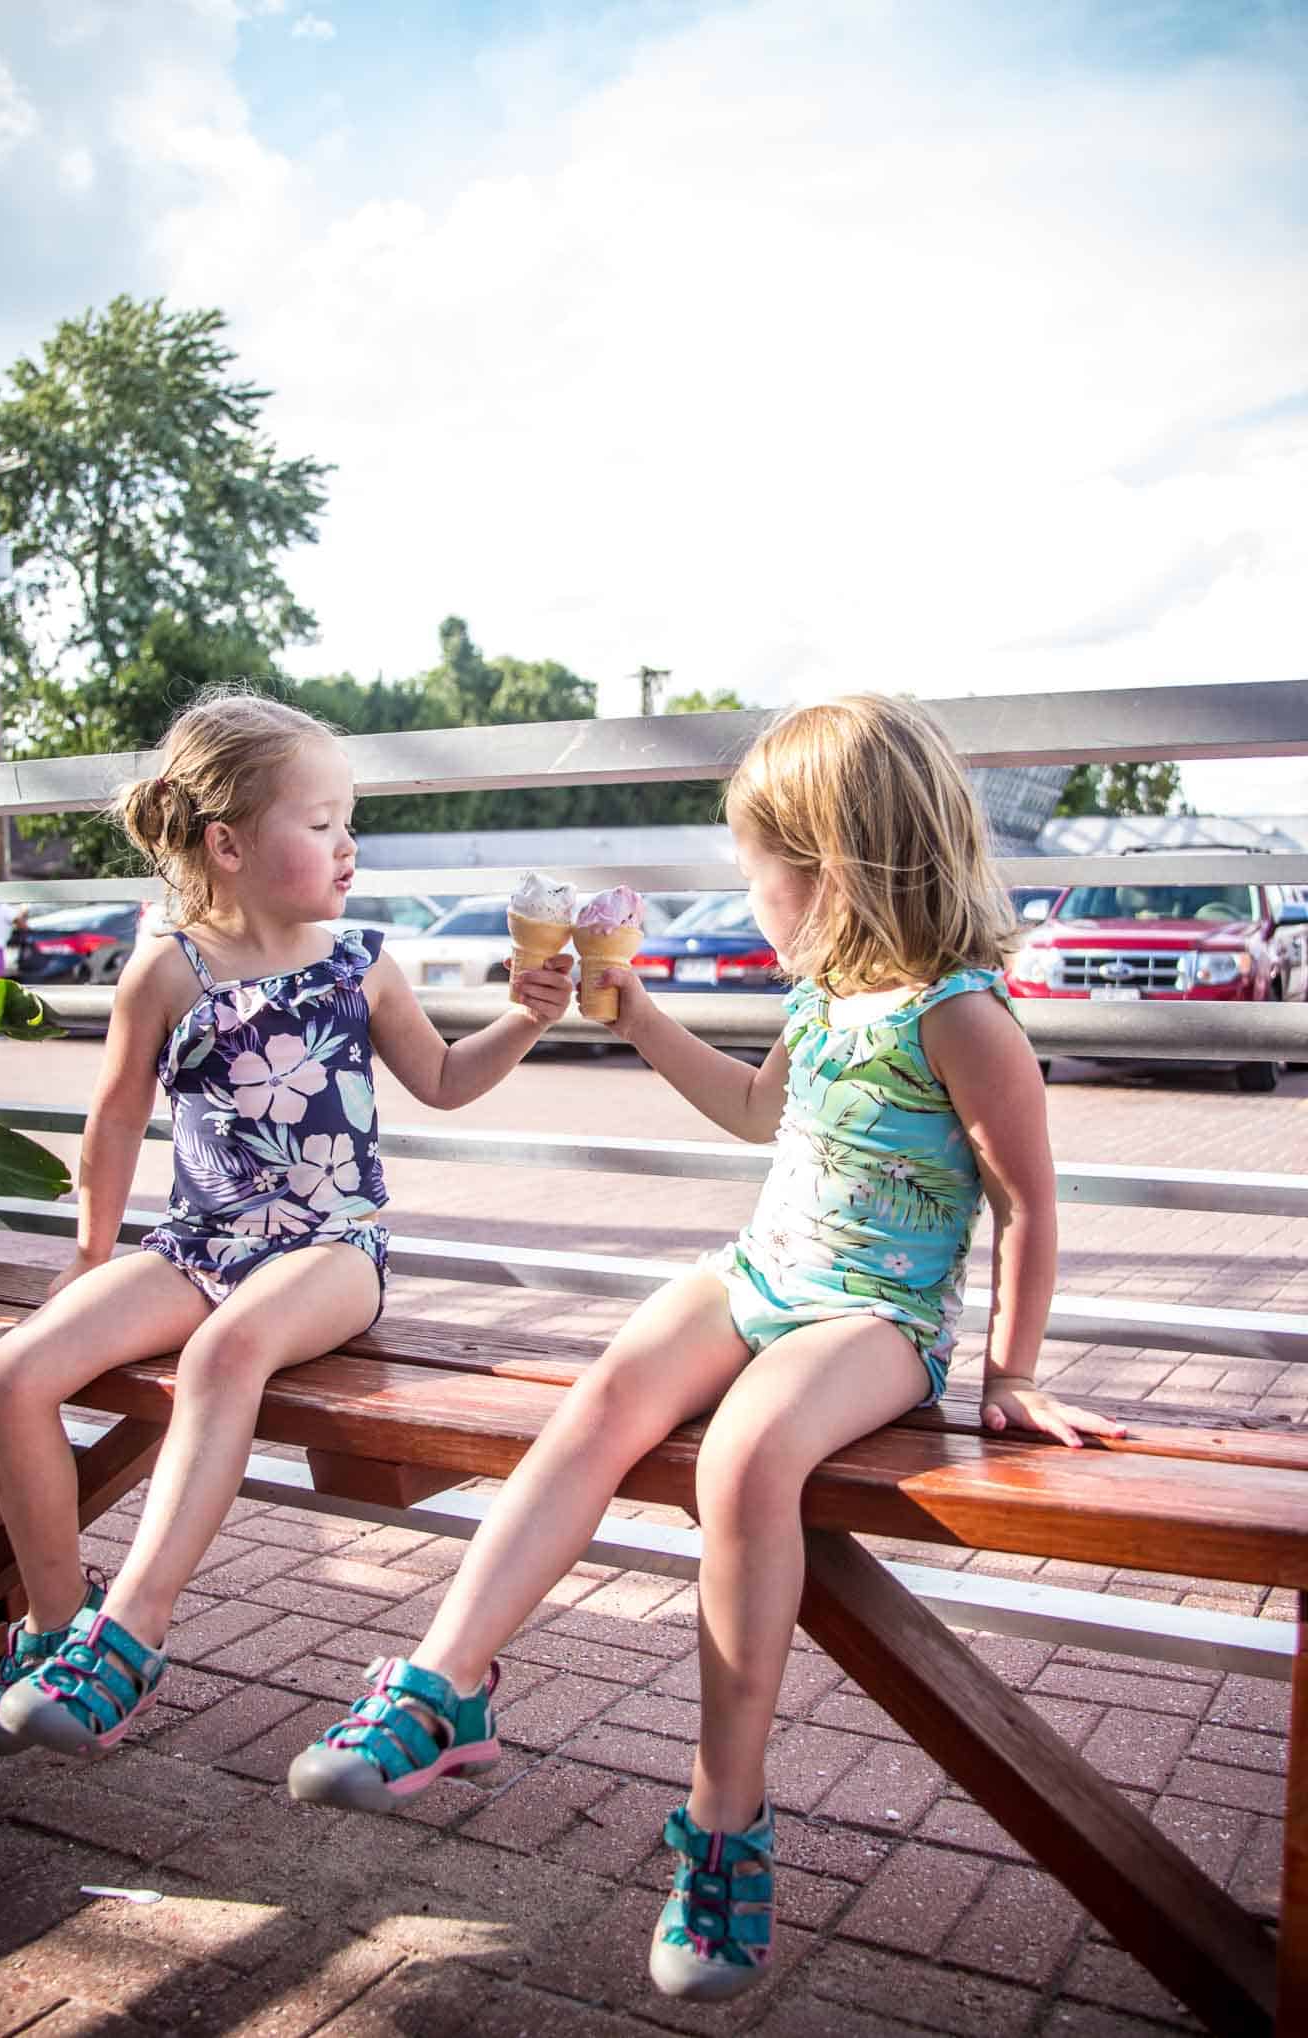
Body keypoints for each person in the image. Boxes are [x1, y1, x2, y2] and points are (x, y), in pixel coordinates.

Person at [287, 694, 1125, 2004]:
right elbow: (751, 1111)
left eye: (759, 874)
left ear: (833, 870)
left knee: (742, 1462)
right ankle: (447, 1680)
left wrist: (1008, 1372)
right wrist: (635, 1019)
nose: (750, 900)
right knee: (609, 1388)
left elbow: (1025, 1200)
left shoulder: (960, 1015)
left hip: (874, 1320)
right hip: (760, 1276)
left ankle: (724, 1826)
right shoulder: (826, 990)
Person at [0, 689, 573, 1759]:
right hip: (198, 1245)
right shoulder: (164, 970)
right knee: (10, 1374)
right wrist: (86, 1257)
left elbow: (437, 1079)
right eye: (321, 822)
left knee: (227, 1352)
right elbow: (113, 1124)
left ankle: (134, 1635)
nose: (348, 846)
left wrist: (524, 1018)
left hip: (332, 1247)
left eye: (349, 821)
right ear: (228, 844)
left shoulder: (358, 960)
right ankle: (56, 1625)